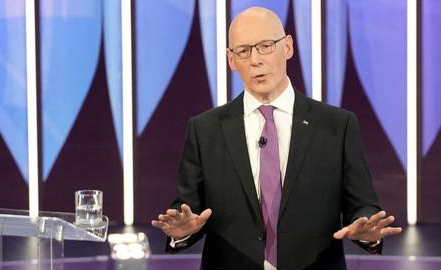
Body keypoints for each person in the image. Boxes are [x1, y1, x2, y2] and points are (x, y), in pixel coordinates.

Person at [152, 6, 402, 270]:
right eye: (244, 51)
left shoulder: (337, 125)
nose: (255, 60)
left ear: (288, 47)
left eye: (266, 46)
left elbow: (362, 205)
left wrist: (368, 232)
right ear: (231, 60)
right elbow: (189, 210)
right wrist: (181, 231)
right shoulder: (205, 129)